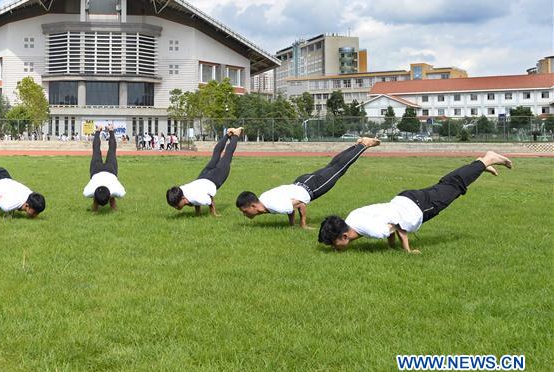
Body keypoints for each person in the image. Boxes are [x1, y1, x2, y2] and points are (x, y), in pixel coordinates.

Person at [317, 151, 513, 253]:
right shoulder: (352, 217)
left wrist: (407, 250)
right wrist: (390, 246)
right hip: (404, 198)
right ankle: (479, 165)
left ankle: (487, 159)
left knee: (454, 187)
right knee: (446, 184)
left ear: (344, 236)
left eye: (334, 245)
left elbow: (398, 228)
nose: (335, 248)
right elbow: (386, 221)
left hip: (417, 207)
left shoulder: (371, 231)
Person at [236, 137, 380, 228]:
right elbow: (289, 207)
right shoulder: (264, 197)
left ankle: (363, 145)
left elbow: (300, 204)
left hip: (312, 187)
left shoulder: (273, 206)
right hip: (301, 181)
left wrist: (302, 224)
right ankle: (357, 145)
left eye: (245, 211)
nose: (244, 214)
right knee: (332, 166)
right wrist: (291, 224)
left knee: (338, 168)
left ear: (254, 206)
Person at [166, 128, 243, 216]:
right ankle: (228, 134)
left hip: (214, 179)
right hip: (203, 176)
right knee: (216, 155)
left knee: (227, 156)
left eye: (176, 205)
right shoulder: (180, 190)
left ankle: (236, 135)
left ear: (183, 198)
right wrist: (197, 212)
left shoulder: (196, 199)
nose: (176, 207)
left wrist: (214, 213)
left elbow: (209, 199)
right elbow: (195, 199)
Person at [83, 125, 126, 211]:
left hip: (110, 171)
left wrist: (111, 194)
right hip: (96, 170)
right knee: (96, 150)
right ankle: (99, 131)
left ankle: (110, 130)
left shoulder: (118, 191)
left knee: (111, 150)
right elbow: (87, 193)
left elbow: (122, 193)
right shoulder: (88, 192)